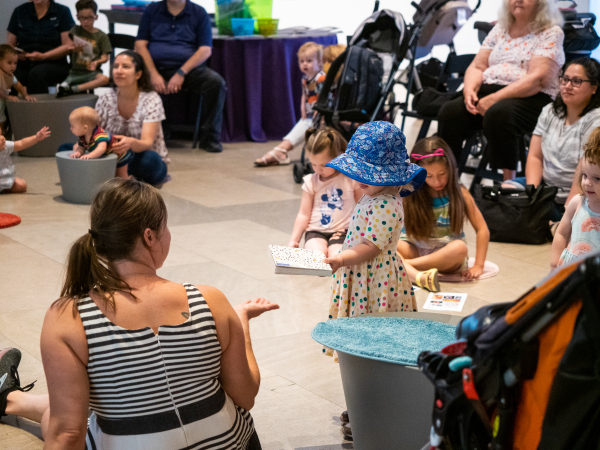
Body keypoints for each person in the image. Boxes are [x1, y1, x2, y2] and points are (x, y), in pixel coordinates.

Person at [0, 178, 277, 449]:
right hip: (232, 442)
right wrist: (240, 321)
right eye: (166, 228)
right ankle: (8, 397)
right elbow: (245, 396)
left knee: (61, 416)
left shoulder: (68, 317)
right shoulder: (210, 301)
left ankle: (8, 397)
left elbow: (67, 434)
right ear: (149, 236)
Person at [437, 0, 565, 181]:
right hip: (491, 91)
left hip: (533, 97)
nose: (517, 0)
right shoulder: (499, 30)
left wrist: (495, 98)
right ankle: (447, 180)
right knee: (450, 112)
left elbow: (538, 79)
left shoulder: (550, 32)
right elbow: (477, 66)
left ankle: (508, 184)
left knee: (499, 114)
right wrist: (469, 91)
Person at [503, 58, 600, 222]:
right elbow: (535, 156)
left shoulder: (595, 119)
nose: (567, 86)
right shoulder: (549, 111)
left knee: (572, 215)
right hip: (547, 190)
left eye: (576, 81)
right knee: (506, 189)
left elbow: (583, 169)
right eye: (565, 79)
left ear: (594, 88)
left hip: (581, 193)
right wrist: (532, 195)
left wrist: (568, 208)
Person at [398, 137, 490, 292]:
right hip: (415, 248)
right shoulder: (409, 193)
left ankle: (405, 267)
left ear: (451, 168)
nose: (437, 181)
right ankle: (418, 276)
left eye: (442, 173)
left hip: (446, 256)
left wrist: (479, 265)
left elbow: (482, 230)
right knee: (388, 244)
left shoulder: (461, 194)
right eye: (429, 176)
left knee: (460, 248)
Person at [135, 0, 226, 154]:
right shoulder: (152, 10)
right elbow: (140, 45)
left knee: (216, 83)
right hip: (156, 68)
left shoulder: (199, 13)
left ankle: (209, 137)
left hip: (188, 70)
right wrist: (153, 74)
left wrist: (181, 73)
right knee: (132, 77)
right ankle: (150, 134)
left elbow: (205, 50)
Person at [95, 51, 169, 185]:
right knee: (67, 148)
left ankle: (113, 173)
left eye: (125, 66)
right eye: (116, 66)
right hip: (112, 155)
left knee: (149, 161)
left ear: (138, 74)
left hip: (140, 155)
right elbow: (96, 132)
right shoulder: (106, 97)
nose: (119, 71)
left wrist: (130, 143)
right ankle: (120, 174)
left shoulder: (151, 98)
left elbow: (147, 143)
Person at [288, 127, 362, 257]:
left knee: (337, 257)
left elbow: (363, 206)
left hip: (342, 231)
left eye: (323, 165)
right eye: (313, 164)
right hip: (315, 232)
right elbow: (303, 214)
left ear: (339, 157)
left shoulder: (350, 179)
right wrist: (294, 240)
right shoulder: (311, 181)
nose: (318, 170)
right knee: (316, 256)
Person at [255, 42, 327, 166]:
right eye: (302, 61)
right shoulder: (305, 78)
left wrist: (318, 113)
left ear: (320, 62)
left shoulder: (321, 78)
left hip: (319, 116)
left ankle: (280, 151)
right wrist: (302, 109)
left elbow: (323, 97)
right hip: (309, 114)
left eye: (309, 61)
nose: (305, 64)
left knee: (305, 126)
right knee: (302, 124)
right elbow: (305, 94)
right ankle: (280, 151)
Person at [551, 129, 600, 268]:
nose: (587, 183)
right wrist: (554, 264)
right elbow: (561, 233)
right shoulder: (577, 203)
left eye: (597, 178)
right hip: (572, 268)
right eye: (585, 175)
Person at [7, 0, 75, 94]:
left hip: (54, 62)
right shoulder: (19, 11)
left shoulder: (62, 11)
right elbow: (10, 44)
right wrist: (16, 55)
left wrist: (44, 56)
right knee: (8, 73)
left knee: (36, 74)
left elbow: (68, 46)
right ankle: (9, 107)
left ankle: (39, 107)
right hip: (25, 61)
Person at [57, 0, 111, 98]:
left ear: (96, 17)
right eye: (82, 18)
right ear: (77, 17)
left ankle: (74, 89)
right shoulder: (75, 30)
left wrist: (97, 62)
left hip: (92, 72)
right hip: (75, 72)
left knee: (104, 79)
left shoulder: (101, 36)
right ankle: (68, 89)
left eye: (89, 18)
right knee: (60, 89)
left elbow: (105, 57)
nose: (86, 21)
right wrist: (73, 49)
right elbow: (69, 46)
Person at [68, 106, 132, 179]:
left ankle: (129, 184)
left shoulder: (99, 134)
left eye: (72, 126)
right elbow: (81, 147)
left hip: (120, 153)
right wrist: (78, 152)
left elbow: (102, 148)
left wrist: (90, 155)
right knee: (108, 175)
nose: (70, 128)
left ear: (85, 128)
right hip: (107, 155)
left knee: (121, 175)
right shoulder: (82, 136)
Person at [0, 127, 51, 193]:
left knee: (22, 187)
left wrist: (36, 138)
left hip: (5, 177)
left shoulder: (6, 145)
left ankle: (7, 185)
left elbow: (21, 143)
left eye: (1, 134)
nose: (2, 138)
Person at [0, 45, 36, 135]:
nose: (13, 66)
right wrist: (8, 97)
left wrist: (25, 95)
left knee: (2, 125)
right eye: (9, 63)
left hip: (1, 107)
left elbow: (18, 85)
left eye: (15, 63)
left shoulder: (10, 75)